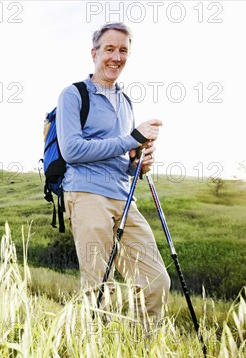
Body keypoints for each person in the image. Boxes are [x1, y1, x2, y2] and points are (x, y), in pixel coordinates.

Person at [56, 22, 170, 322]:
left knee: (156, 281)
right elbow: (72, 151)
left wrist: (138, 164)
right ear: (94, 53)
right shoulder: (73, 95)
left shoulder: (126, 101)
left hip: (123, 198)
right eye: (109, 49)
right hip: (86, 194)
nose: (116, 57)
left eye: (123, 51)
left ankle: (141, 357)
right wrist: (131, 138)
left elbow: (121, 155)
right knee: (98, 290)